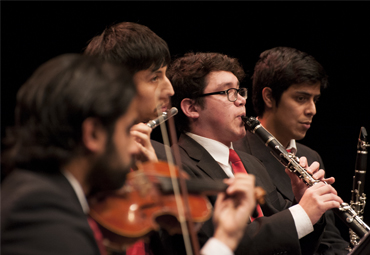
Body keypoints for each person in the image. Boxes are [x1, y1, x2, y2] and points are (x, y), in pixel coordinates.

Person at [1, 54, 257, 255]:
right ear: (93, 134)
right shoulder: (38, 212)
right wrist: (224, 241)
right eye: (126, 130)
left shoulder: (45, 193)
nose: (136, 147)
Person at [166, 52, 344, 255]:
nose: (241, 100)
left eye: (240, 91)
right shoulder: (176, 166)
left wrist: (304, 200)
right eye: (227, 92)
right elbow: (218, 244)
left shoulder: (251, 163)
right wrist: (302, 214)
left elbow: (287, 246)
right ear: (192, 107)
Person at [233, 46, 350, 254]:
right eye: (301, 98)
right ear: (269, 97)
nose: (312, 110)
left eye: (315, 100)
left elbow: (329, 238)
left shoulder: (311, 156)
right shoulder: (238, 155)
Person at [84, 21, 174, 163]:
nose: (170, 90)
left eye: (165, 74)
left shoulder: (166, 155)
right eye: (154, 78)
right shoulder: (88, 157)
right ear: (119, 85)